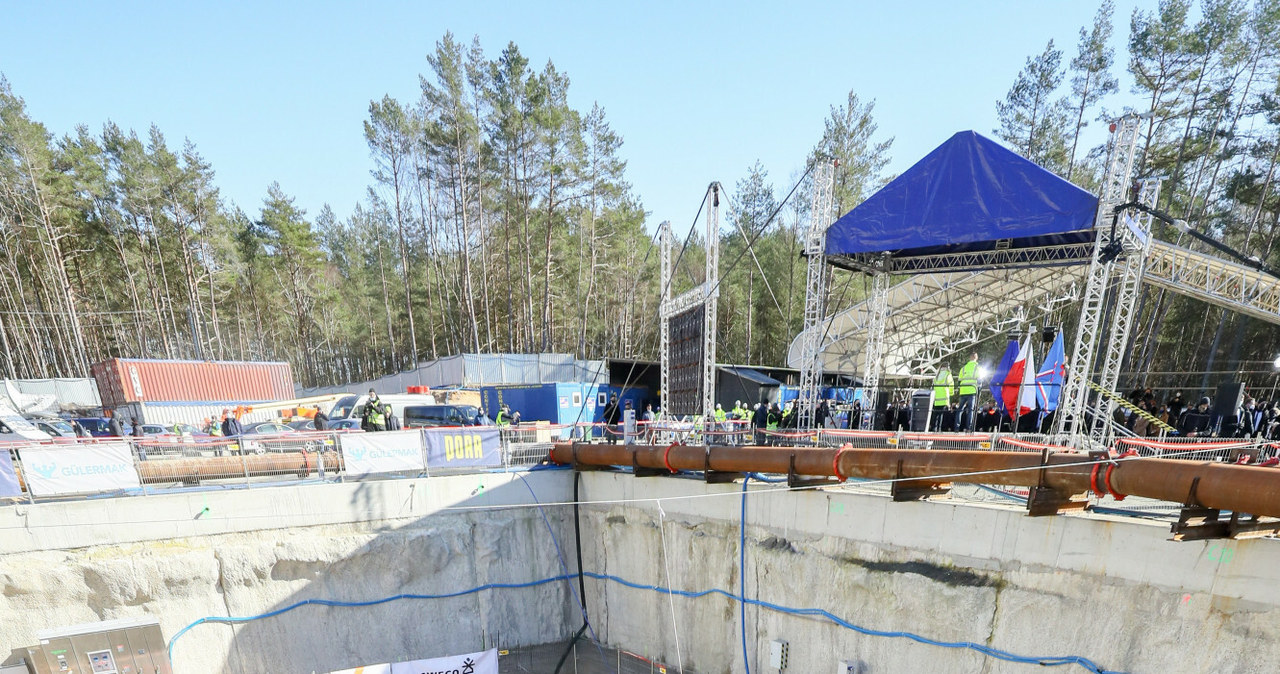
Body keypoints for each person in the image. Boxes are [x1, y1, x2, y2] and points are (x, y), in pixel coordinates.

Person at [956, 353, 979, 432]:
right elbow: (980, 379)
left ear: (970, 358)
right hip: (972, 390)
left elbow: (959, 380)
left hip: (963, 390)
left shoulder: (963, 368)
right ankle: (968, 427)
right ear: (976, 358)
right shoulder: (977, 367)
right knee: (970, 410)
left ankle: (956, 427)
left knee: (960, 410)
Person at [931, 366, 953, 431]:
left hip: (937, 398)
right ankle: (939, 428)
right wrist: (951, 393)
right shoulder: (948, 374)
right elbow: (951, 384)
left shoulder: (937, 375)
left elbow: (934, 385)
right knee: (941, 415)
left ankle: (934, 428)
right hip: (944, 398)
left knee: (935, 415)